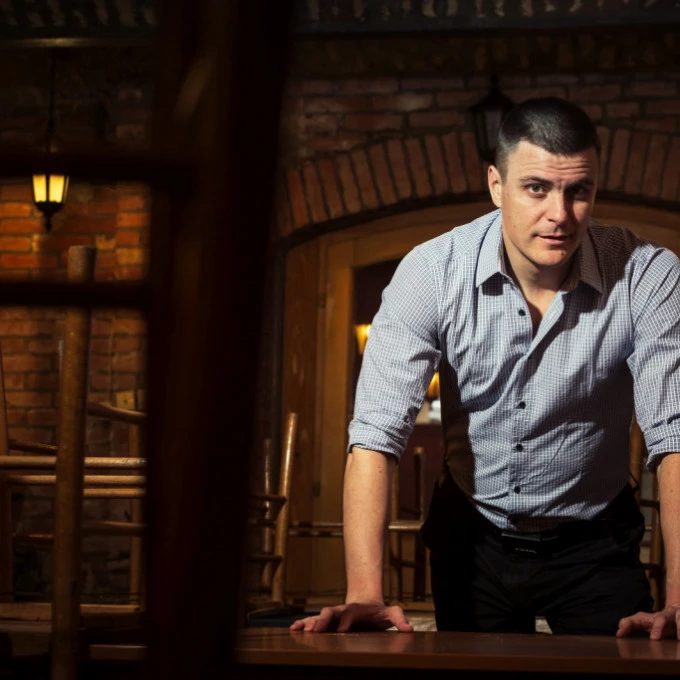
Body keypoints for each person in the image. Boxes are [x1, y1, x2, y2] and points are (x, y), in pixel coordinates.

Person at [290, 97, 680, 638]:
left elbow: (674, 437)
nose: (560, 214)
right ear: (496, 184)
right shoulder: (431, 273)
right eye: (536, 188)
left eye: (578, 191)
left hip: (595, 540)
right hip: (472, 538)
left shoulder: (649, 275)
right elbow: (376, 437)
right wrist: (364, 594)